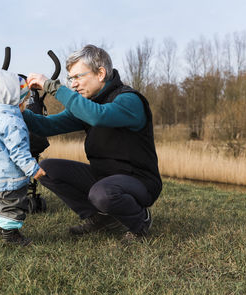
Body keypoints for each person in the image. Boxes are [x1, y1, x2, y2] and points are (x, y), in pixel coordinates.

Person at [25, 44, 162, 242]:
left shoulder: (129, 100)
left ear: (100, 73)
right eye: (71, 79)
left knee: (103, 193)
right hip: (103, 176)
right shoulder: (87, 104)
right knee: (46, 168)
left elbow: (99, 117)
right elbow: (47, 126)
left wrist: (52, 87)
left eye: (79, 77)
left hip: (139, 181)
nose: (73, 84)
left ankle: (140, 221)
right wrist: (18, 111)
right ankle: (100, 218)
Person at [0, 69, 46, 246]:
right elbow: (19, 152)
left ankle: (0, 232)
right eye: (24, 99)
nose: (25, 104)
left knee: (0, 205)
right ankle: (11, 237)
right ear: (14, 99)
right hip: (10, 178)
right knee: (13, 206)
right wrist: (33, 169)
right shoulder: (13, 122)